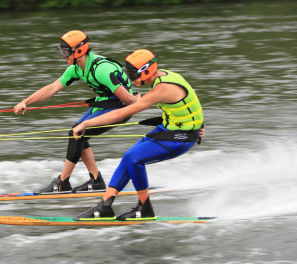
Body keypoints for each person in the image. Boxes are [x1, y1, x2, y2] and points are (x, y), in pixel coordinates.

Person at [72, 48, 205, 221]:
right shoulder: (165, 77)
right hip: (168, 130)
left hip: (180, 138)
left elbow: (124, 112)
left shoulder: (162, 88)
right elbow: (190, 101)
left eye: (134, 74)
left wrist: (86, 123)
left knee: (134, 158)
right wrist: (201, 124)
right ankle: (105, 205)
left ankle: (144, 207)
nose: (131, 79)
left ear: (147, 70)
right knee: (128, 158)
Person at [13, 30, 138, 193]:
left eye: (65, 52)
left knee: (76, 132)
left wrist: (139, 99)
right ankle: (96, 181)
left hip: (121, 108)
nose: (63, 56)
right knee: (78, 133)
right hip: (104, 104)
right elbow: (52, 88)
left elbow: (128, 101)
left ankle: (62, 182)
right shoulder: (76, 68)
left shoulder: (101, 69)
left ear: (78, 51)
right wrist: (26, 101)